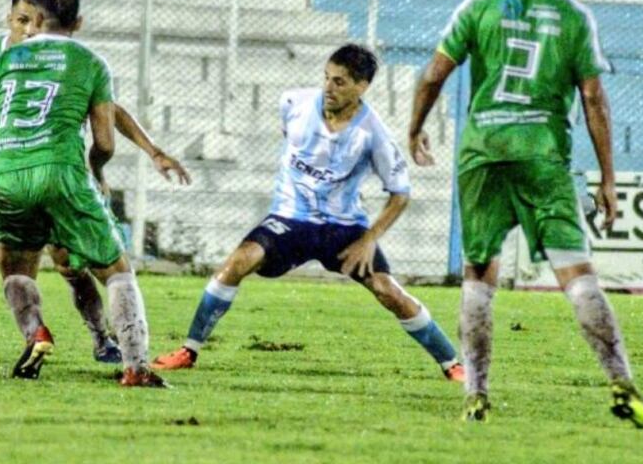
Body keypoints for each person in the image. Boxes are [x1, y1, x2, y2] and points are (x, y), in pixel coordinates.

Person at [407, 0, 643, 428]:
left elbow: (434, 74)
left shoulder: (478, 5)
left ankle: (476, 396)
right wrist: (609, 179)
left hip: (482, 152)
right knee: (577, 273)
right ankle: (621, 383)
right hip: (544, 155)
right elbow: (594, 98)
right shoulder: (574, 16)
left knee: (480, 274)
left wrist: (414, 128)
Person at [0, 0, 189, 363]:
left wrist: (152, 149)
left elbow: (111, 110)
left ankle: (99, 338)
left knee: (63, 261)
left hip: (9, 170)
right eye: (19, 19)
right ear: (10, 19)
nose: (25, 27)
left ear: (40, 20)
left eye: (30, 20)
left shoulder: (47, 63)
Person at [153, 44, 465, 383]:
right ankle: (188, 350)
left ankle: (452, 364)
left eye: (340, 82)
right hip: (290, 218)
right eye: (326, 78)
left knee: (388, 291)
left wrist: (369, 240)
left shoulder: (373, 134)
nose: (328, 88)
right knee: (237, 263)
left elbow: (400, 194)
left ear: (362, 87)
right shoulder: (293, 104)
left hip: (343, 229)